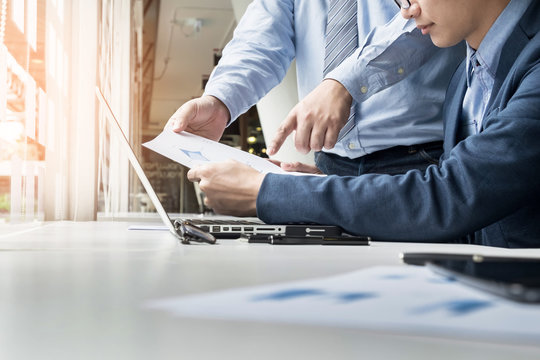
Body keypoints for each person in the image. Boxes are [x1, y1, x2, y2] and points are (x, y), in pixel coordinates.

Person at [187, 0, 540, 248]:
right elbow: (262, 31)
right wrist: (220, 101)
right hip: (348, 172)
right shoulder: (468, 78)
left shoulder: (512, 67)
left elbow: (451, 198)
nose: (406, 11)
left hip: (420, 167)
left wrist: (267, 192)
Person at [169, 0, 464, 176]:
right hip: (331, 163)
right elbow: (261, 35)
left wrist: (344, 82)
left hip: (422, 159)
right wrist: (220, 101)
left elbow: (429, 11)